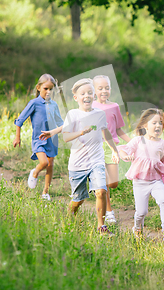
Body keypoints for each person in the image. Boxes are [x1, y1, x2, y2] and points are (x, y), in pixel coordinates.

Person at [60, 78, 119, 236]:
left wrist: (114, 150)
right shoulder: (73, 114)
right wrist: (81, 132)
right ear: (76, 97)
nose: (87, 96)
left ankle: (101, 227)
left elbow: (105, 131)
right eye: (83, 93)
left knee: (101, 191)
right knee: (78, 200)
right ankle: (69, 216)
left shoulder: (99, 114)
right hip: (77, 164)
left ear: (94, 96)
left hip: (96, 160)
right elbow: (65, 137)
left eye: (90, 93)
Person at [118, 108, 164, 242]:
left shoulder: (162, 144)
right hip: (140, 182)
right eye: (154, 123)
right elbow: (123, 150)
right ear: (145, 126)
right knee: (142, 212)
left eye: (160, 123)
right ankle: (137, 228)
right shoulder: (138, 141)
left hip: (156, 180)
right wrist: (127, 156)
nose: (158, 125)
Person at [13, 74, 64, 201]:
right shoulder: (34, 103)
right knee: (44, 162)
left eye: (51, 89)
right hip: (39, 139)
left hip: (52, 140)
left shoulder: (54, 105)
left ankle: (45, 192)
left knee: (50, 165)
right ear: (38, 87)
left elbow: (60, 123)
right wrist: (17, 137)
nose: (48, 92)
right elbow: (20, 120)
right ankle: (35, 172)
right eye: (46, 88)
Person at [92, 75, 131, 224]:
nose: (104, 91)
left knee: (113, 183)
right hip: (97, 147)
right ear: (94, 91)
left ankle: (99, 187)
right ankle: (109, 211)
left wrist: (132, 142)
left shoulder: (114, 106)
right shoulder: (92, 107)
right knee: (104, 182)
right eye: (100, 88)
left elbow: (119, 130)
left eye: (107, 88)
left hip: (112, 148)